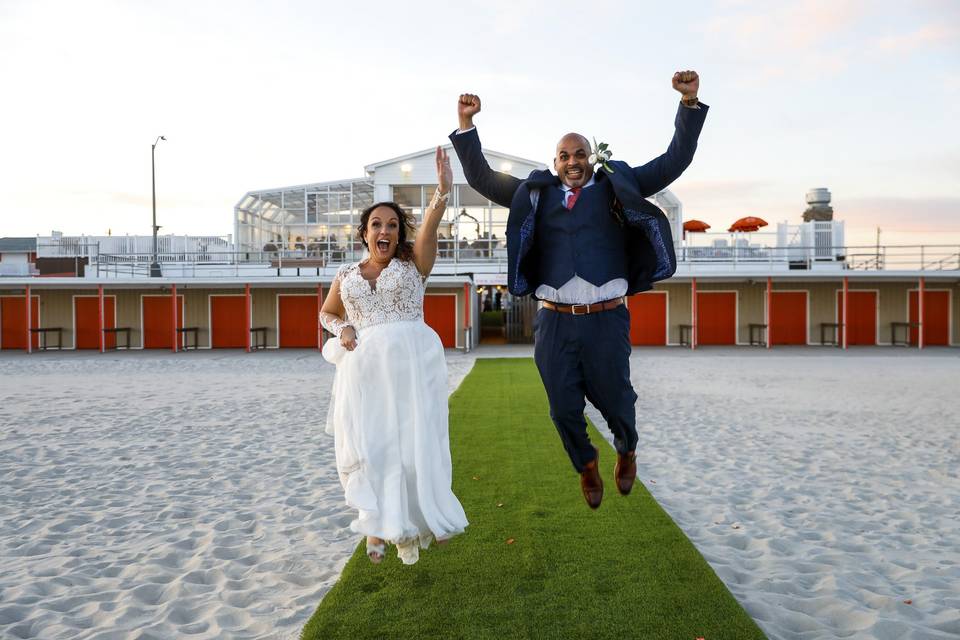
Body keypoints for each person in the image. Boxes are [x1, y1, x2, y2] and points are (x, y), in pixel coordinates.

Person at [450, 71, 708, 510]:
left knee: (618, 400)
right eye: (564, 155)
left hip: (607, 318)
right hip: (553, 320)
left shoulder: (615, 185)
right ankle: (586, 464)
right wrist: (467, 124)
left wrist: (688, 104)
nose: (573, 161)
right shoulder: (534, 194)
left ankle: (626, 448)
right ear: (555, 162)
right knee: (562, 410)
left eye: (580, 154)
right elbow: (482, 178)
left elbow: (673, 161)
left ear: (590, 158)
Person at [320, 147, 468, 564]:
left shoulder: (414, 264)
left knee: (415, 442)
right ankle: (376, 527)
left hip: (410, 365)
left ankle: (423, 517)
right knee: (375, 444)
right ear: (364, 232)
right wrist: (343, 327)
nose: (383, 231)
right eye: (375, 225)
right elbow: (327, 313)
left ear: (399, 233)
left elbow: (431, 224)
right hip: (364, 372)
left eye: (391, 225)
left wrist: (441, 191)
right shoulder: (346, 275)